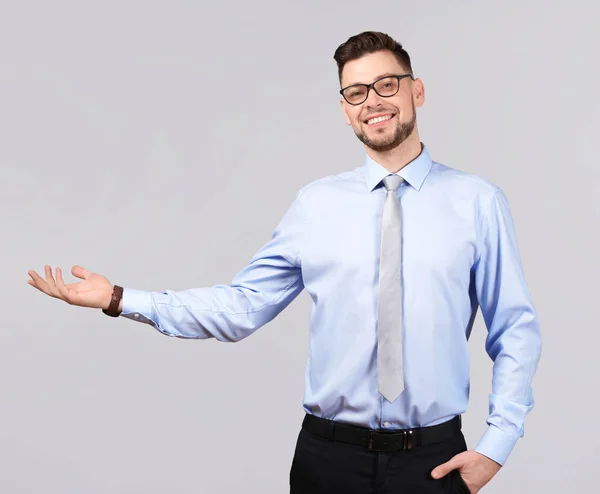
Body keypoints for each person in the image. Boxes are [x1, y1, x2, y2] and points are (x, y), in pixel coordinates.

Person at [28, 31, 542, 494]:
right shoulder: (315, 206)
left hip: (431, 461)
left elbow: (514, 328)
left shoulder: (476, 202)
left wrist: (495, 447)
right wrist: (119, 298)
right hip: (327, 462)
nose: (373, 102)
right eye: (356, 92)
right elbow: (243, 306)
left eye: (387, 85)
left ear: (417, 91)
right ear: (345, 109)